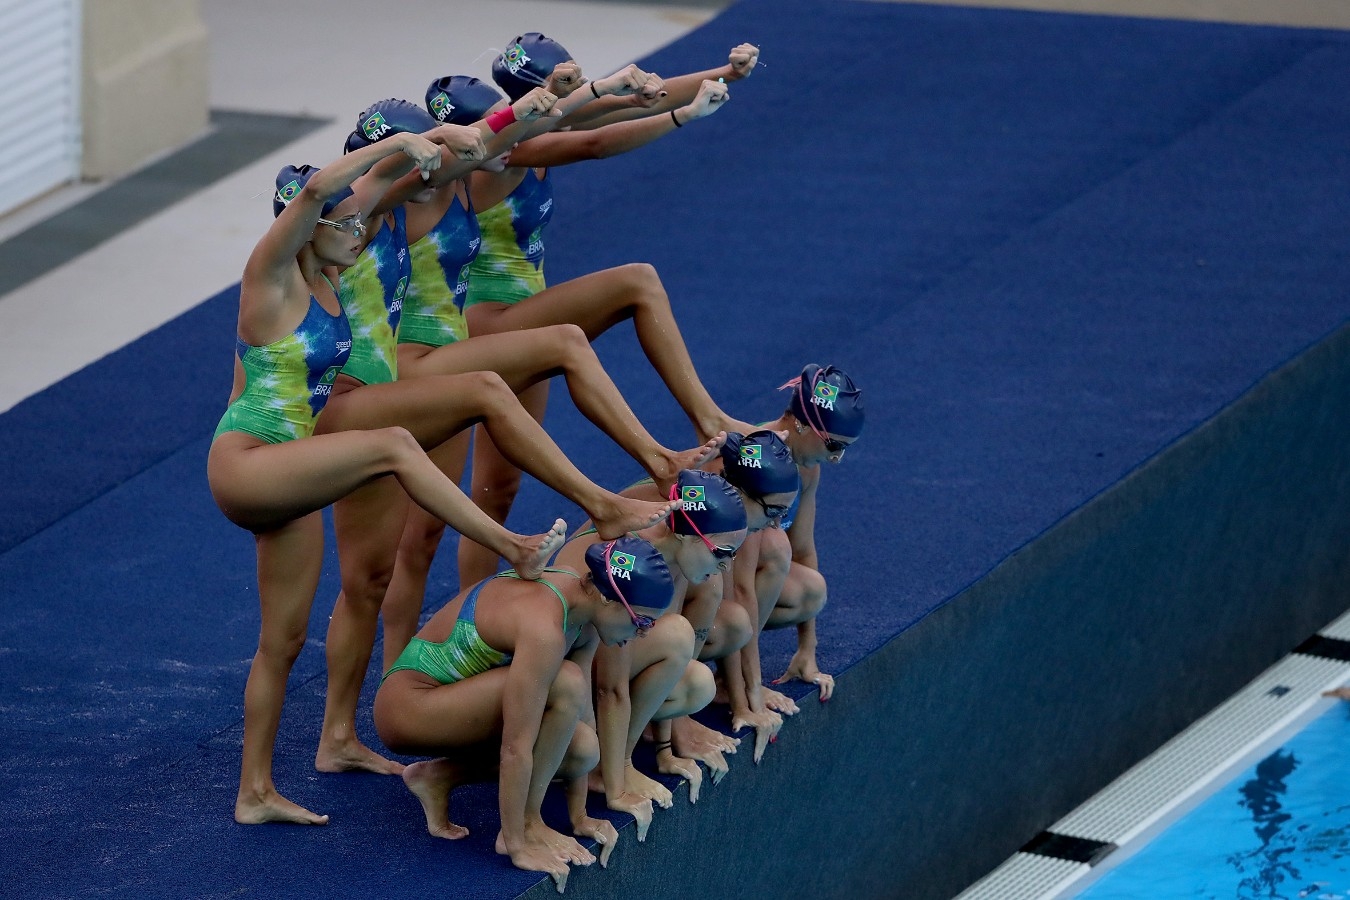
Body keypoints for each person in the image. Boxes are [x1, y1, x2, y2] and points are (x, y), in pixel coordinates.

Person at [312, 97, 719, 776]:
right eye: (426, 151)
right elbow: (376, 180)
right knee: (364, 577)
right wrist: (504, 121)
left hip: (410, 377)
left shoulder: (435, 186)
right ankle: (339, 730)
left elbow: (556, 138)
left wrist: (615, 94)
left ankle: (378, 699)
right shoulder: (369, 209)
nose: (443, 160)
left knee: (404, 553)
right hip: (365, 394)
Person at [208, 136, 570, 827]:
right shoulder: (271, 278)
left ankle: (267, 783)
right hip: (248, 464)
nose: (359, 232)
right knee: (397, 446)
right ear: (305, 227)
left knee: (284, 639)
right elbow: (321, 195)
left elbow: (373, 191)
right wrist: (406, 138)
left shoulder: (331, 263)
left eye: (357, 221)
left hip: (292, 465)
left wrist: (482, 129)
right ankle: (513, 545)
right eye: (345, 224)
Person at [450, 38, 757, 587]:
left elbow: (638, 99)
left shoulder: (546, 126)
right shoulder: (508, 153)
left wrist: (725, 72)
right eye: (562, 88)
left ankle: (468, 609)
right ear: (534, 97)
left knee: (498, 491)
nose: (573, 94)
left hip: (525, 317)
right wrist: (685, 118)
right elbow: (594, 142)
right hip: (488, 322)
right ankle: (706, 420)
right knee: (636, 282)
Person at [374, 536, 676, 890]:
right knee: (565, 683)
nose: (640, 635)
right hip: (408, 708)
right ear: (611, 600)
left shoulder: (584, 609)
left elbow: (579, 720)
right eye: (641, 622)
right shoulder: (544, 628)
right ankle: (523, 825)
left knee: (582, 748)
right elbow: (516, 746)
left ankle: (439, 777)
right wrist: (517, 843)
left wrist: (579, 817)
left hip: (458, 700)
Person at [551, 470, 748, 819]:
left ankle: (615, 755)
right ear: (690, 535)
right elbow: (610, 687)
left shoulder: (672, 553)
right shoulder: (640, 556)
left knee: (694, 683)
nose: (726, 564)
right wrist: (617, 784)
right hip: (561, 666)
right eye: (723, 551)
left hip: (586, 658)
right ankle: (608, 766)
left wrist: (665, 748)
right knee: (676, 636)